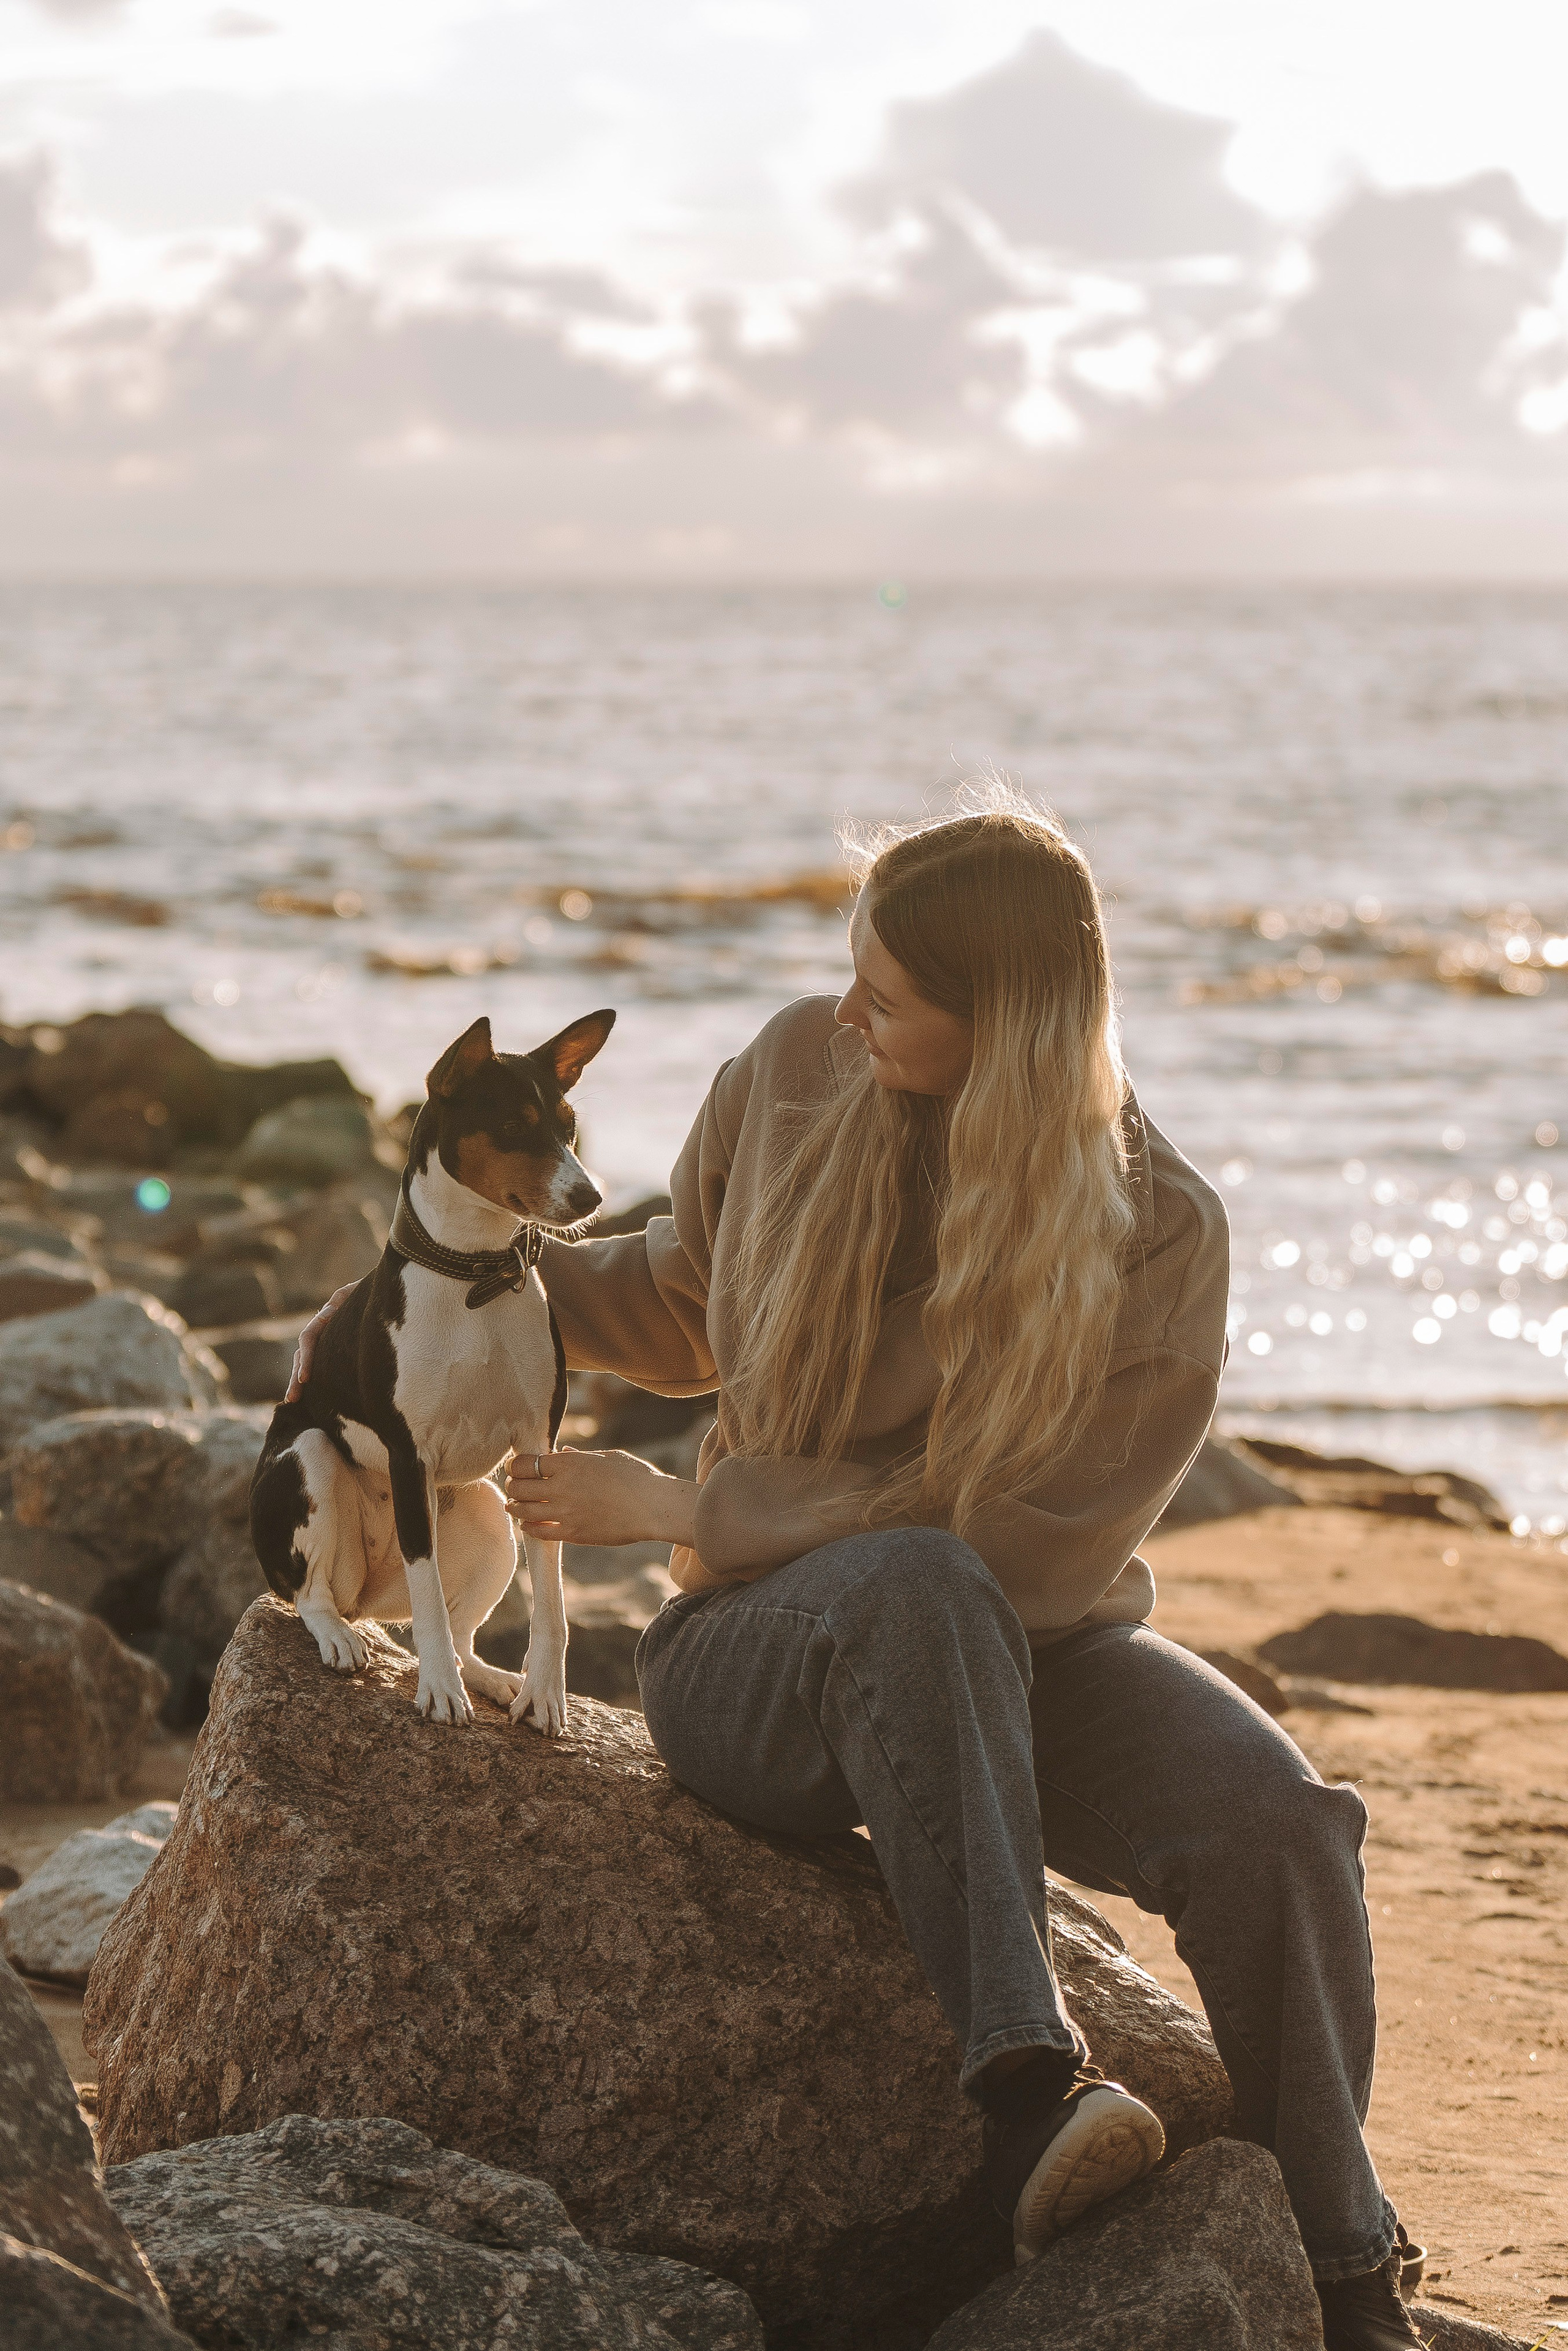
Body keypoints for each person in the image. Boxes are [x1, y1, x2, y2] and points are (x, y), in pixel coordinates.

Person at [290, 798, 1422, 2348]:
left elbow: (1024, 1551)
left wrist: (681, 1499)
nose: (842, 1013)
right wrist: (422, 1286)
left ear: (1005, 1024)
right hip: (754, 1653)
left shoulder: (1158, 1230)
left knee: (1275, 1821)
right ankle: (1028, 2088)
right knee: (908, 1590)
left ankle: (1342, 2264)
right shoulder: (789, 1073)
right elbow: (677, 1295)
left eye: (883, 996)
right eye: (850, 973)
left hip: (1032, 1639)